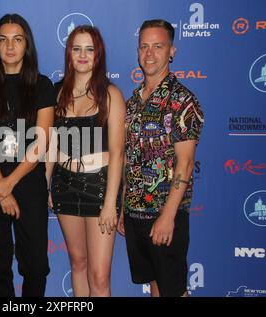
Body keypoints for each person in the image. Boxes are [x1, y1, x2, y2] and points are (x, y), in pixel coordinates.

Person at [0, 13, 55, 297]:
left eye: (17, 39)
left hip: (28, 182)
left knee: (36, 266)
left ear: (26, 45)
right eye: (3, 40)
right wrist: (2, 189)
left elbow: (41, 142)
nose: (9, 46)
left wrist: (12, 182)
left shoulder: (42, 86)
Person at [117, 19, 204, 297]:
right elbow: (126, 159)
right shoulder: (130, 104)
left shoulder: (182, 100)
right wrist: (122, 208)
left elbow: (186, 163)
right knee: (155, 285)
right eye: (144, 46)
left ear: (172, 52)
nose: (149, 53)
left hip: (166, 214)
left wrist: (168, 217)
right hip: (134, 213)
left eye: (158, 45)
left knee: (173, 290)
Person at [46, 25, 126, 297]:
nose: (82, 55)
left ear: (98, 54)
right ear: (69, 53)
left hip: (100, 186)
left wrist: (110, 205)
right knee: (77, 263)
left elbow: (117, 153)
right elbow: (51, 146)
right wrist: (46, 185)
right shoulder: (56, 93)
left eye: (89, 49)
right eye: (76, 48)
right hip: (64, 185)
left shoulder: (111, 94)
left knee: (100, 276)